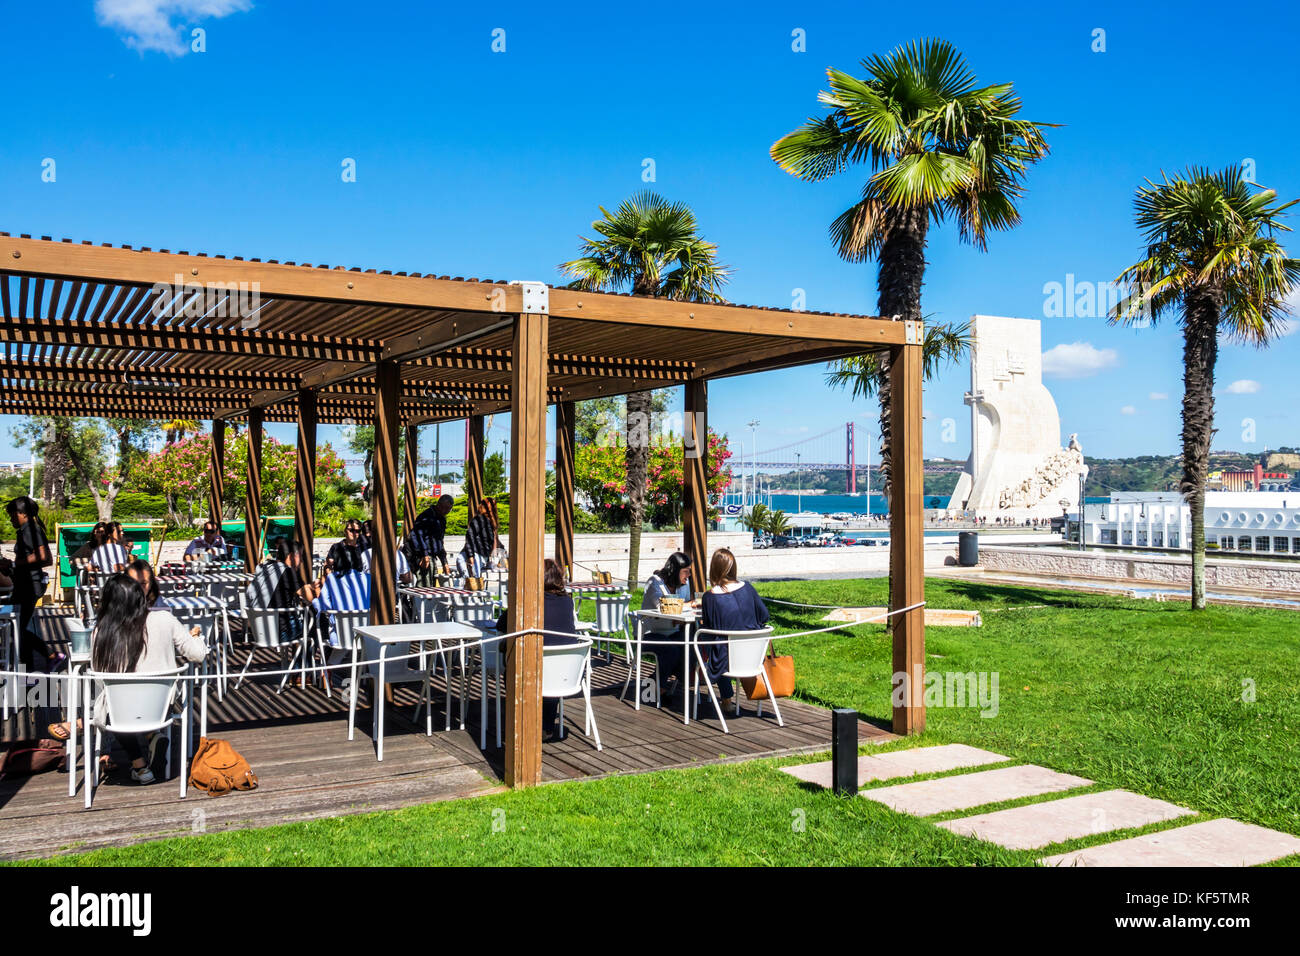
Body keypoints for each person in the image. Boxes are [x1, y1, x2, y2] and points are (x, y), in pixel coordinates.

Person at [50, 573, 206, 784]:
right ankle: (151, 738)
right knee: (119, 704)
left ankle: (140, 767)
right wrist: (196, 637)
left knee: (110, 705)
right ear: (140, 597)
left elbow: (99, 680)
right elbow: (198, 654)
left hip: (120, 712)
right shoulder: (164, 619)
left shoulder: (100, 633)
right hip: (161, 706)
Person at [493, 558, 581, 741]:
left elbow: (501, 624)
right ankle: (546, 727)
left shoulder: (528, 601)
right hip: (566, 675)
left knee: (514, 660)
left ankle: (521, 723)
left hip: (535, 673)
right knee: (551, 664)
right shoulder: (567, 602)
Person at [699, 548, 770, 709]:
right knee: (721, 643)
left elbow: (709, 627)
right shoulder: (749, 589)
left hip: (725, 662)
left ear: (714, 569)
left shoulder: (710, 597)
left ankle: (725, 698)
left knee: (712, 640)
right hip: (754, 658)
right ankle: (726, 700)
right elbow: (764, 616)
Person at [6, 496, 63, 673]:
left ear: (21, 513)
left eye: (12, 515)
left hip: (30, 585)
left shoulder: (30, 529)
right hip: (25, 583)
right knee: (17, 627)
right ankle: (31, 664)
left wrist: (15, 564)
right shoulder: (27, 529)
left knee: (17, 627)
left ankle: (46, 659)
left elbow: (45, 557)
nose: (11, 519)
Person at [639, 551, 693, 699]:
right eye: (685, 571)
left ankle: (654, 682)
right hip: (649, 634)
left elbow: (681, 609)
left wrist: (683, 612)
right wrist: (690, 605)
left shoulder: (684, 584)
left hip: (672, 631)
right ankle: (660, 688)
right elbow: (662, 606)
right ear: (675, 571)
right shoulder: (654, 582)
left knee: (691, 646)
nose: (688, 575)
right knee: (672, 650)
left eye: (689, 571)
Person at [245, 538, 317, 644]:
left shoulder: (265, 567)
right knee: (316, 623)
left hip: (259, 631)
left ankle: (299, 660)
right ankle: (305, 661)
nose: (302, 561)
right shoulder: (288, 572)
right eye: (301, 556)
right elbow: (310, 598)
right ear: (291, 556)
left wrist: (309, 586)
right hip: (279, 631)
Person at [408, 495, 454, 579]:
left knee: (432, 583)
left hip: (432, 556)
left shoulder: (442, 520)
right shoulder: (426, 516)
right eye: (445, 507)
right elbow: (416, 535)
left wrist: (444, 562)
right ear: (439, 504)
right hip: (420, 556)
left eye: (449, 509)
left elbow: (439, 542)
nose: (446, 511)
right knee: (424, 585)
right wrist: (424, 554)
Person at [462, 497, 499, 576]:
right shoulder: (482, 520)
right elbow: (470, 536)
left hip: (477, 555)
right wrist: (471, 555)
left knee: (474, 581)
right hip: (476, 555)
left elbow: (470, 536)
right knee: (475, 581)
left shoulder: (485, 521)